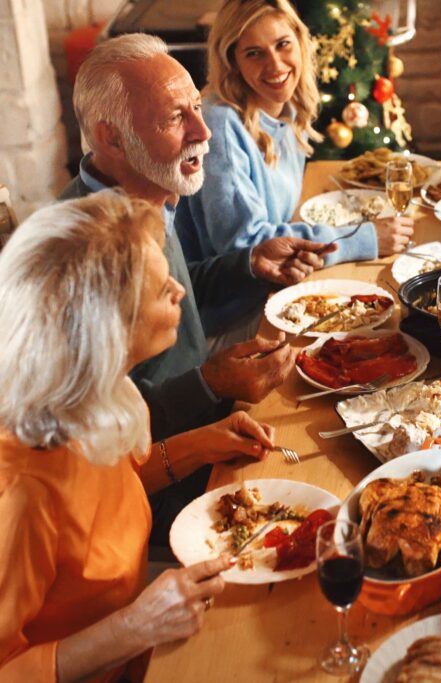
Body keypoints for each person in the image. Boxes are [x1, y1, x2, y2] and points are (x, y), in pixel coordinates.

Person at [0, 191, 280, 682]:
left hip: (141, 639)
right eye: (158, 289)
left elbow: (104, 499)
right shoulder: (21, 491)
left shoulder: (93, 395)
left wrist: (205, 442)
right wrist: (135, 626)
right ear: (103, 329)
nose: (179, 290)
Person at [63, 32, 317, 441]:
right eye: (175, 117)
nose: (204, 131)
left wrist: (248, 264)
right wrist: (210, 384)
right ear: (112, 138)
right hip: (169, 474)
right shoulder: (79, 253)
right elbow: (95, 431)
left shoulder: (149, 191)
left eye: (197, 107)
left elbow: (167, 296)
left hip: (208, 414)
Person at [174, 0, 414, 265]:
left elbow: (278, 222)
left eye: (282, 44)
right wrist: (361, 240)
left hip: (281, 277)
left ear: (300, 43)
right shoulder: (219, 123)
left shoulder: (287, 110)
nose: (275, 65)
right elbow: (245, 245)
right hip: (233, 301)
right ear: (232, 61)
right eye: (254, 53)